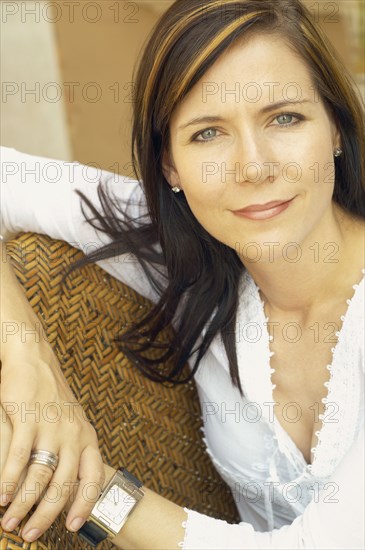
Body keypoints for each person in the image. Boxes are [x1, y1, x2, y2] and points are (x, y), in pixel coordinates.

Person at [1, 0, 364, 547]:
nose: (253, 166)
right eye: (207, 134)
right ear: (170, 164)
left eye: (284, 117)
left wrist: (93, 492)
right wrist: (31, 359)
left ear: (336, 128)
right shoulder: (187, 251)